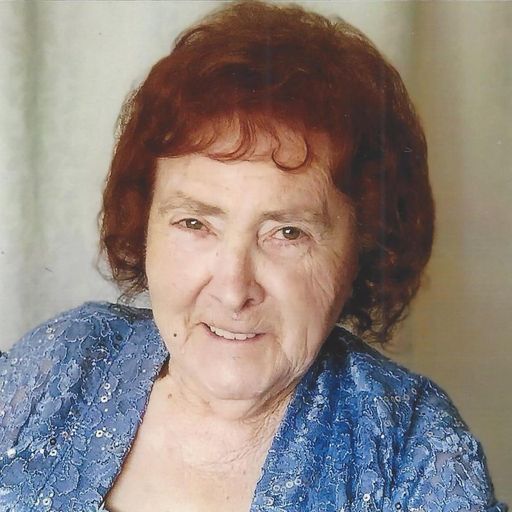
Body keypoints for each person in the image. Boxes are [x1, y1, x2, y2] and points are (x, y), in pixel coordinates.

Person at [0, 1, 507, 511]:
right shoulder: (62, 362)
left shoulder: (414, 455)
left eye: (287, 233)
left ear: (363, 249)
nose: (232, 289)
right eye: (195, 223)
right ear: (144, 223)